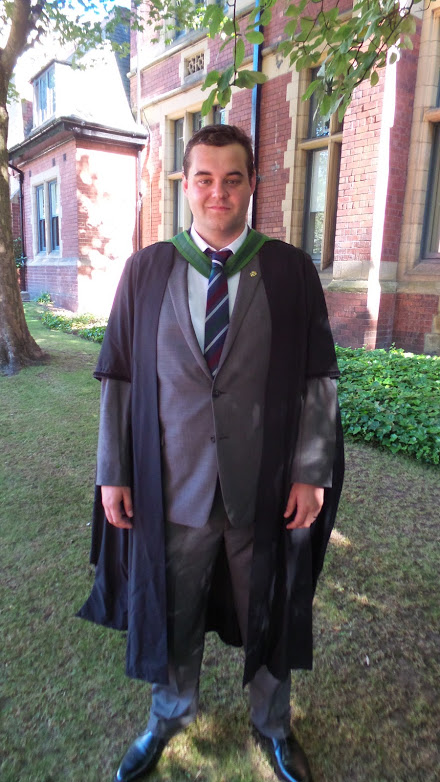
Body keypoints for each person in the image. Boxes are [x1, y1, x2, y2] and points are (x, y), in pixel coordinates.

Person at [78, 124, 344, 782]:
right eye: (204, 178)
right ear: (186, 184)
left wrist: (312, 472)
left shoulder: (289, 270)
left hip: (265, 486)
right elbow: (121, 379)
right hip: (171, 487)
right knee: (172, 606)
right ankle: (168, 715)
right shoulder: (147, 270)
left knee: (272, 605)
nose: (218, 191)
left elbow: (318, 378)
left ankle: (273, 723)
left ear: (253, 183)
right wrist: (113, 472)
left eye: (233, 178)